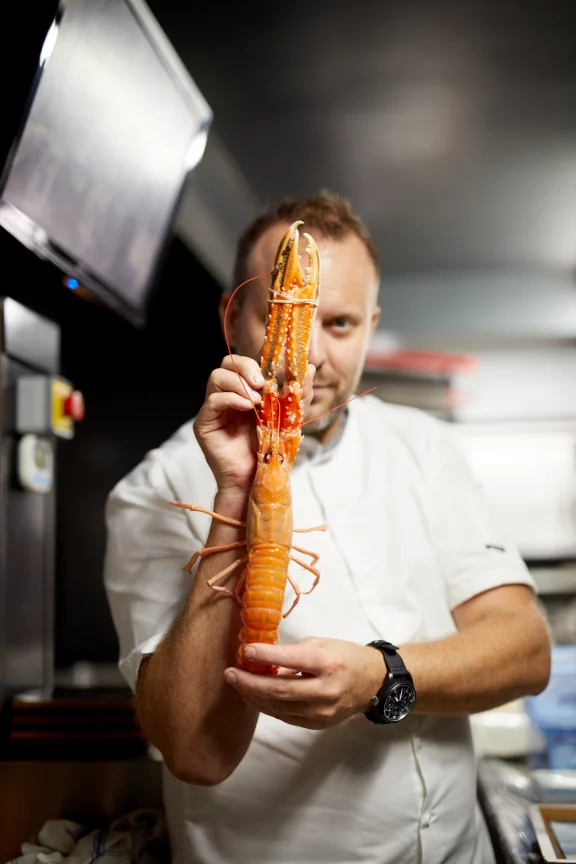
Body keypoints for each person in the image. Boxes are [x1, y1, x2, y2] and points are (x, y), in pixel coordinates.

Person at [104, 192, 551, 864]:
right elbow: (194, 751)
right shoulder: (153, 489)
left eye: (338, 324)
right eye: (287, 317)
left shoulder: (424, 446)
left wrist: (383, 673)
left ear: (371, 327)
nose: (307, 355)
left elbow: (526, 650)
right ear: (234, 315)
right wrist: (234, 491)